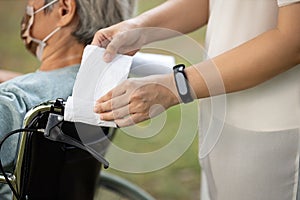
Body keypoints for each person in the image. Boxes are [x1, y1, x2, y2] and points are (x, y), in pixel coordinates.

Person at [93, 0, 300, 199]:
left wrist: (174, 87)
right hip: (219, 112)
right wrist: (139, 27)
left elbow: (293, 40)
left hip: (275, 129)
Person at [0, 0, 135, 199]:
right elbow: (49, 86)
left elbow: (23, 96)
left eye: (31, 4)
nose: (28, 11)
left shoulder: (13, 101)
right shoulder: (106, 87)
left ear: (64, 10)